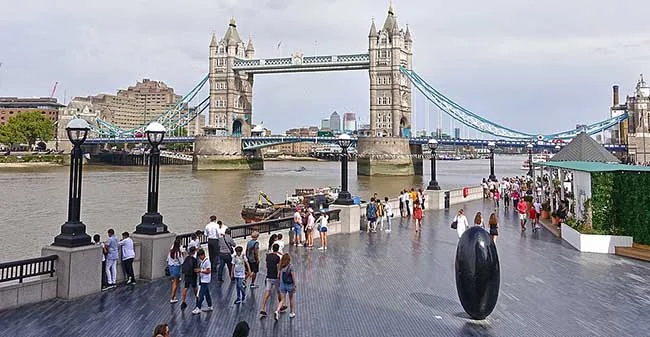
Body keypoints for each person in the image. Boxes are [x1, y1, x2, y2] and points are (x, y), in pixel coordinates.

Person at [259, 244, 286, 318]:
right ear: (277, 250)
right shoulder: (277, 258)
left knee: (267, 292)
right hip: (275, 277)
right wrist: (278, 275)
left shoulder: (268, 256)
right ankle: (281, 306)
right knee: (279, 291)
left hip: (269, 276)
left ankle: (263, 308)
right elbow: (278, 267)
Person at [274, 253, 297, 320]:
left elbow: (278, 276)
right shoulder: (290, 267)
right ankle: (291, 312)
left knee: (282, 300)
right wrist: (295, 285)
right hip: (289, 285)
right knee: (291, 299)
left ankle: (277, 310)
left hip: (282, 284)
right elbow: (293, 277)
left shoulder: (280, 266)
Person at [192, 249, 213, 314]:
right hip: (203, 279)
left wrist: (200, 270)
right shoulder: (203, 261)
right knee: (207, 294)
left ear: (203, 255)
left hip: (205, 280)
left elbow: (208, 271)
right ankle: (210, 306)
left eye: (200, 256)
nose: (200, 258)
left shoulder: (207, 262)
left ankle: (198, 308)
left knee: (201, 295)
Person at [180, 246, 199, 311]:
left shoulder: (186, 258)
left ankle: (183, 301)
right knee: (194, 287)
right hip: (193, 275)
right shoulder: (194, 260)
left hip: (187, 275)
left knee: (186, 288)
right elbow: (195, 268)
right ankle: (197, 298)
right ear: (194, 252)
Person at [167, 239, 183, 303]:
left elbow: (167, 260)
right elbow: (182, 261)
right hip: (176, 267)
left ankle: (173, 296)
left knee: (173, 281)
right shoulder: (178, 253)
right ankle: (172, 297)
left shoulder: (171, 252)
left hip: (171, 267)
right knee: (175, 283)